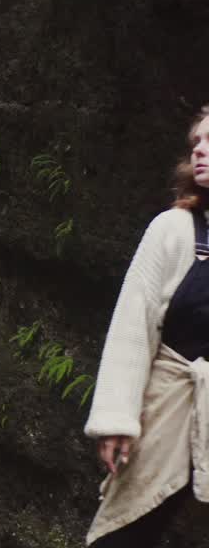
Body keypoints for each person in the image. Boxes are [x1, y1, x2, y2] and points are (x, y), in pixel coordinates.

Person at [84, 104, 209, 546]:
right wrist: (117, 420)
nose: (201, 151)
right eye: (196, 142)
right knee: (123, 535)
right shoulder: (174, 230)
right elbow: (131, 328)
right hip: (169, 407)